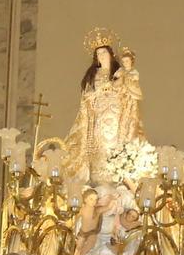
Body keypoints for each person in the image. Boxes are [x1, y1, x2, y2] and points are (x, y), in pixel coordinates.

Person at [62, 30, 145, 186]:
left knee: (118, 149)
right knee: (98, 151)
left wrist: (122, 82)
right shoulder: (93, 76)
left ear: (110, 54)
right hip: (99, 119)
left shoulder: (120, 73)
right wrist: (98, 92)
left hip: (117, 118)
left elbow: (132, 94)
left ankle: (120, 182)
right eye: (98, 54)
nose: (101, 56)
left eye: (103, 52)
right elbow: (87, 97)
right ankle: (99, 184)